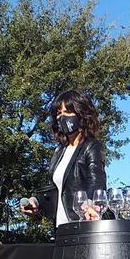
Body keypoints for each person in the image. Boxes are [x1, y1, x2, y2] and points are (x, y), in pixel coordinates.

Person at [19, 90, 104, 226]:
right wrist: (35, 201)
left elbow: (96, 180)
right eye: (59, 113)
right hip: (61, 229)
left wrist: (91, 205)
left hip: (82, 226)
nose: (62, 117)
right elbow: (53, 189)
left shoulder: (91, 146)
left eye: (68, 112)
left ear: (81, 115)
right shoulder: (59, 151)